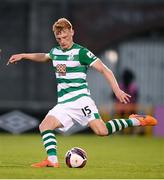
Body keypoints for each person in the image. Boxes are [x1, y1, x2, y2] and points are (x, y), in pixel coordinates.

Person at [7, 18, 157, 168]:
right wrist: (23, 55)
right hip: (64, 103)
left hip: (81, 100)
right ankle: (52, 160)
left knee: (102, 131)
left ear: (72, 32)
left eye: (65, 37)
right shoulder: (56, 52)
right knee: (45, 126)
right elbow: (45, 56)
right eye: (59, 38)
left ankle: (136, 120)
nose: (62, 41)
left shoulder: (81, 52)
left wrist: (117, 90)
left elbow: (105, 69)